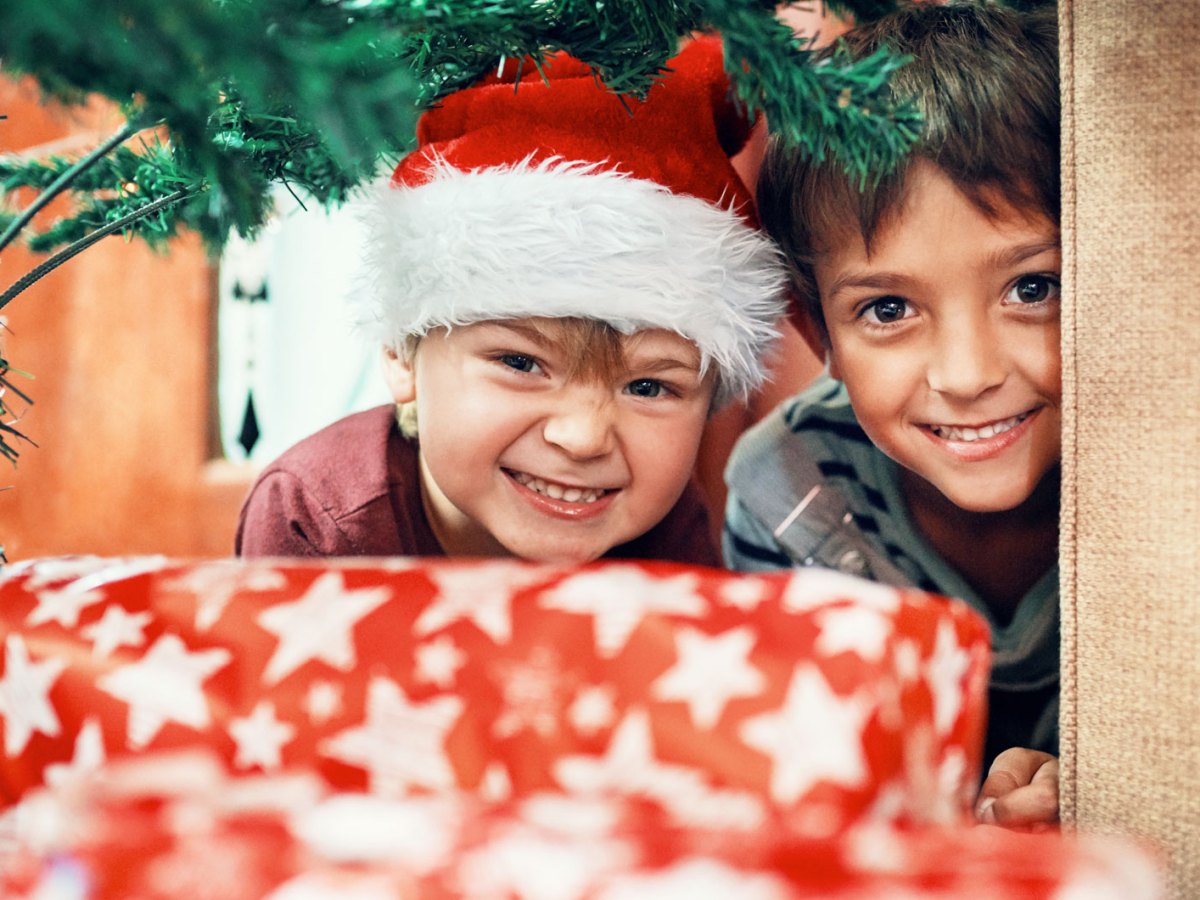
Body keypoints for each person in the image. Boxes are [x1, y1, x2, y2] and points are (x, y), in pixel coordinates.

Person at [235, 36, 787, 566]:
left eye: (648, 387)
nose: (582, 437)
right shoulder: (316, 519)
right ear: (402, 353)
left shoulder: (664, 525)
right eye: (520, 363)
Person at [724, 2, 1062, 828]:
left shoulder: (1161, 455)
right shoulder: (790, 493)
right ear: (818, 334)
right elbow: (812, 779)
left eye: (1032, 288)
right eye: (886, 310)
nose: (968, 375)